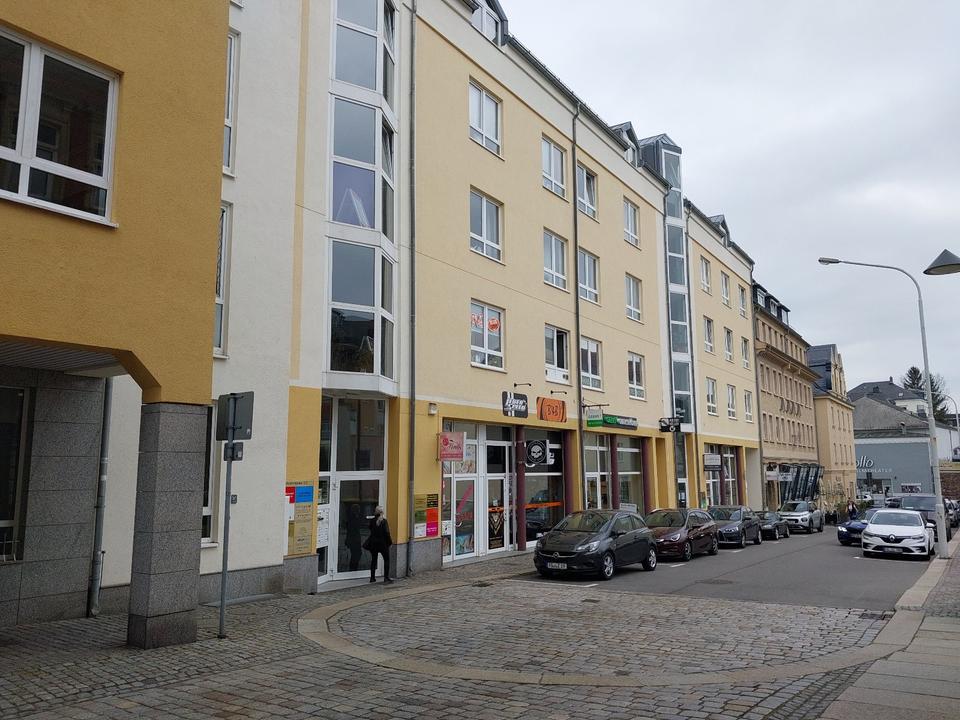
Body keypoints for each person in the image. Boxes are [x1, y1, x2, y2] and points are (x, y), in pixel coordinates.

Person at [366, 506, 393, 583]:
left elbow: (370, 529)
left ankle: (372, 578)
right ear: (382, 512)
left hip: (374, 543)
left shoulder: (372, 521)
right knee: (386, 560)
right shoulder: (384, 521)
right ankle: (386, 577)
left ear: (375, 512)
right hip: (383, 544)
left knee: (374, 560)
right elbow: (387, 533)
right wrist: (390, 542)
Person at [345, 504, 363, 572]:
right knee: (357, 554)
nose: (360, 511)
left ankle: (353, 568)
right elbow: (354, 529)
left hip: (353, 539)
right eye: (359, 509)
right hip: (354, 540)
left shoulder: (351, 518)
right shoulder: (353, 518)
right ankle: (353, 568)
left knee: (355, 554)